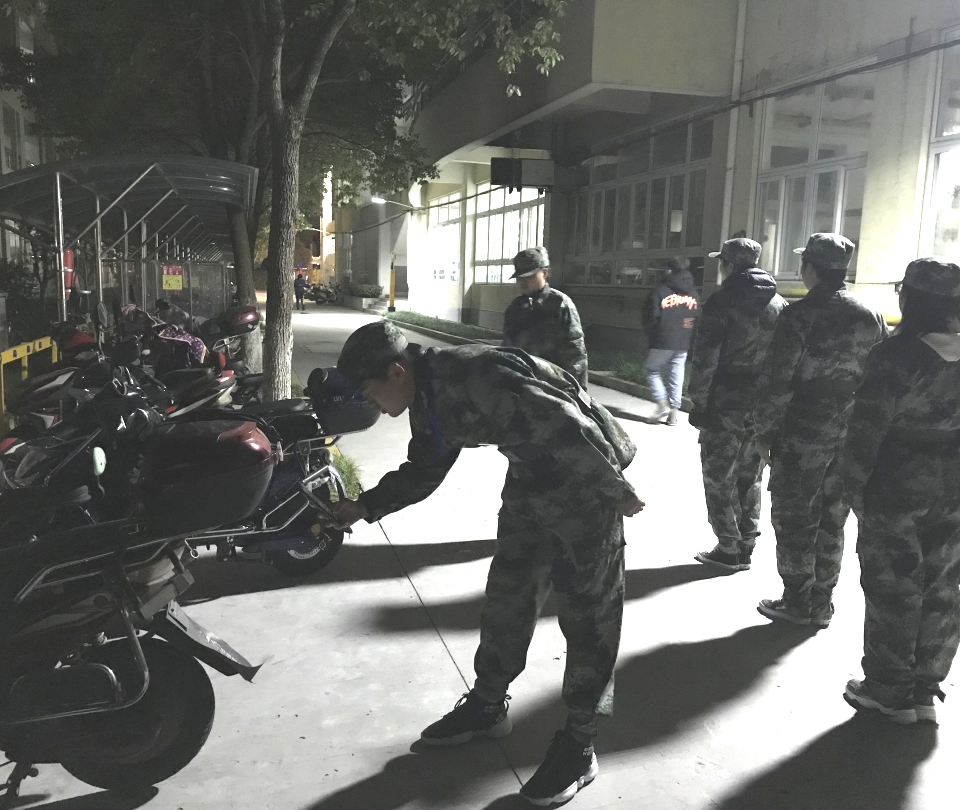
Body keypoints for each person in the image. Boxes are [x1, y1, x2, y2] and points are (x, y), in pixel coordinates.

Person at [330, 321, 643, 806]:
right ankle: (488, 705)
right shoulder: (426, 395)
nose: (369, 402)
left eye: (369, 391)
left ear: (395, 372)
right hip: (532, 476)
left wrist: (614, 489)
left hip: (584, 478)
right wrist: (364, 506)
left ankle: (580, 744)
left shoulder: (475, 378)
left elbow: (565, 423)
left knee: (589, 615)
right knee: (508, 595)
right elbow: (425, 468)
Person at [842, 258, 960, 725]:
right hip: (953, 480)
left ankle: (889, 691)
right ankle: (925, 689)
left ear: (912, 297)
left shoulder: (894, 355)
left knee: (893, 585)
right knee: (941, 585)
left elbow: (866, 429)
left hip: (896, 480)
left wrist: (853, 486)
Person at [751, 233, 888, 628]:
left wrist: (763, 434)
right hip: (850, 430)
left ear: (809, 267)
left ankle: (797, 600)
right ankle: (822, 601)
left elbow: (777, 380)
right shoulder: (870, 315)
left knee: (795, 515)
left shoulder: (798, 316)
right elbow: (881, 378)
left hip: (803, 431)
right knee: (833, 517)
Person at [687, 237, 786, 572]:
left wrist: (699, 402)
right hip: (762, 403)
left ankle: (728, 546)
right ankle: (746, 544)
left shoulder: (721, 303)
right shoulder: (779, 304)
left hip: (725, 402)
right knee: (751, 474)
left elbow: (705, 359)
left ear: (728, 264)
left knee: (718, 475)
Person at [503, 247, 589, 387]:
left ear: (544, 272)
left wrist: (575, 392)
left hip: (553, 387)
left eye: (529, 276)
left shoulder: (561, 305)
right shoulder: (516, 307)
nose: (523, 282)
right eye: (520, 278)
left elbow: (576, 356)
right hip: (522, 386)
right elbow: (507, 349)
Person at [642, 258, 699, 425]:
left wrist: (650, 336)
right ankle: (674, 412)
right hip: (684, 341)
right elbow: (697, 316)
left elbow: (651, 317)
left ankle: (662, 404)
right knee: (677, 373)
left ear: (669, 271)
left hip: (662, 339)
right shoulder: (693, 293)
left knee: (652, 370)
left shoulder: (659, 291)